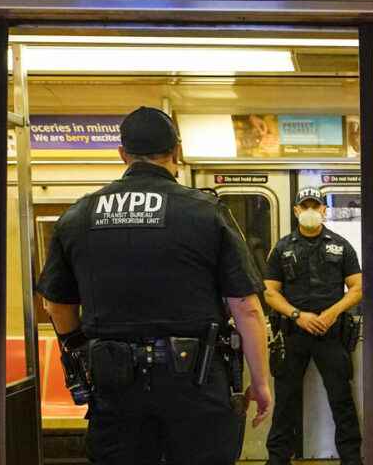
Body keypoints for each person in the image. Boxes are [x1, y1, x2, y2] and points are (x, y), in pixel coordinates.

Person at [36, 106, 273, 465]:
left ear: (122, 154)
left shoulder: (78, 215)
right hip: (195, 381)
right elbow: (246, 306)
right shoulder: (205, 212)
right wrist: (260, 381)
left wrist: (79, 353)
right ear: (176, 152)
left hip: (114, 382)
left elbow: (56, 305)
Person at [263, 186, 363, 465]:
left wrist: (332, 313)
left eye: (315, 206)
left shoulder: (341, 245)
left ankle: (352, 459)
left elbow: (357, 287)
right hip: (293, 332)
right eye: (304, 206)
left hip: (330, 333)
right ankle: (278, 459)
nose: (310, 211)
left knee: (342, 400)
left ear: (323, 210)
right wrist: (298, 315)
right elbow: (270, 292)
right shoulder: (282, 248)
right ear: (296, 211)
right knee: (285, 402)